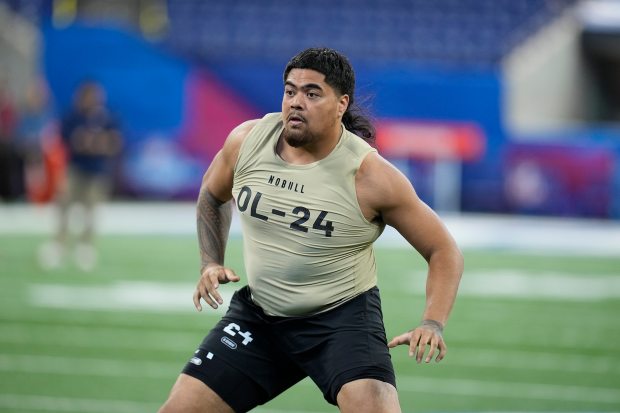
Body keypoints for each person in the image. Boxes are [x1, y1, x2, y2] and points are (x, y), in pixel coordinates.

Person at [159, 48, 463, 413]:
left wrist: (433, 321)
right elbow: (212, 194)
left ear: (341, 104)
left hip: (340, 322)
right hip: (261, 317)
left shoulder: (370, 176)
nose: (296, 103)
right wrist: (211, 261)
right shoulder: (247, 141)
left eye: (312, 93)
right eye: (290, 91)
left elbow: (443, 250)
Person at [38, 80, 122, 271]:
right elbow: (73, 141)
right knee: (64, 205)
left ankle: (85, 246)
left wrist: (93, 142)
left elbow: (114, 143)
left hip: (98, 171)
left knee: (91, 211)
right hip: (75, 169)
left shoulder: (108, 116)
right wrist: (95, 142)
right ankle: (59, 244)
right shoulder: (72, 116)